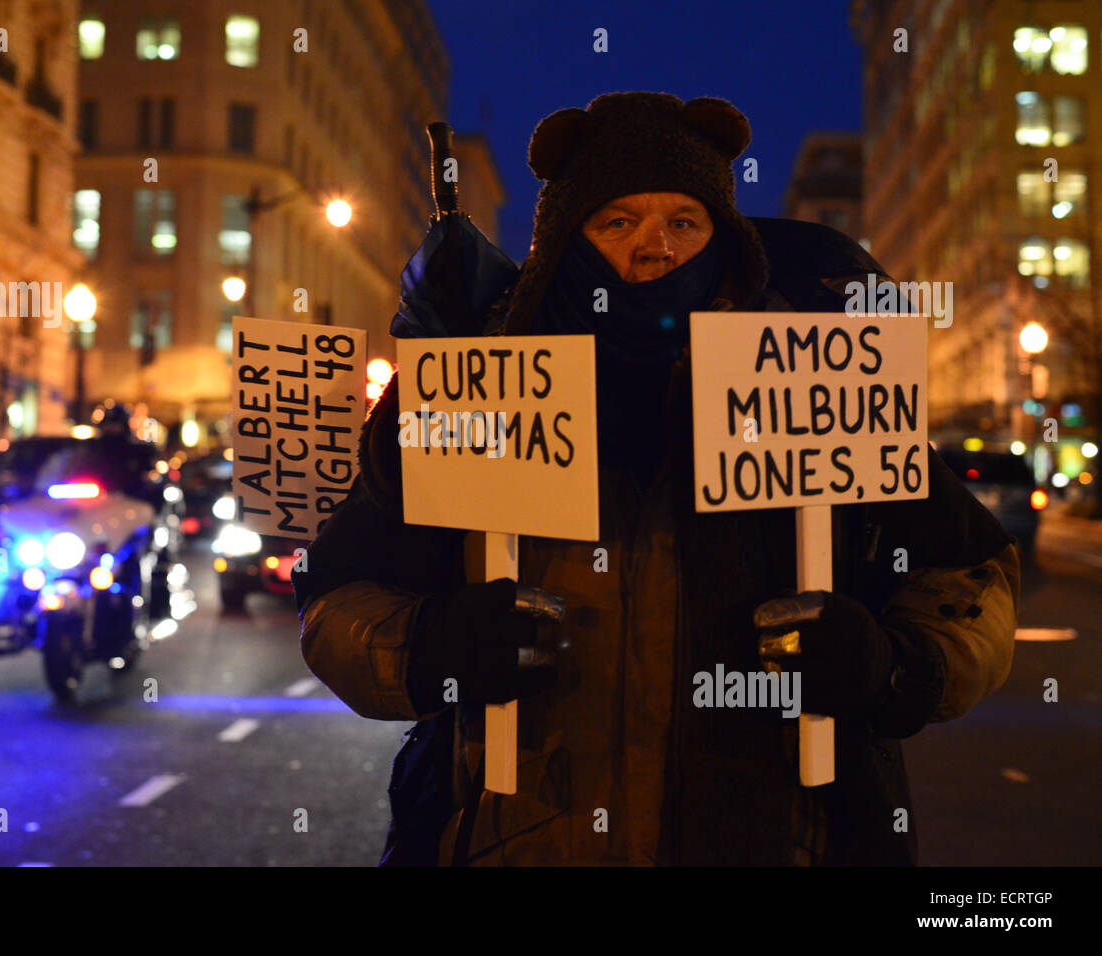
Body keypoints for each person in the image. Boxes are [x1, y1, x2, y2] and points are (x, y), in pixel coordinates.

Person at [292, 92, 1020, 866]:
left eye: (684, 222)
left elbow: (973, 581)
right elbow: (337, 597)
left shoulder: (817, 389)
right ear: (566, 242)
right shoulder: (477, 388)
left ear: (722, 240)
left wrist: (890, 666)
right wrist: (430, 648)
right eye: (617, 222)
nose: (655, 249)